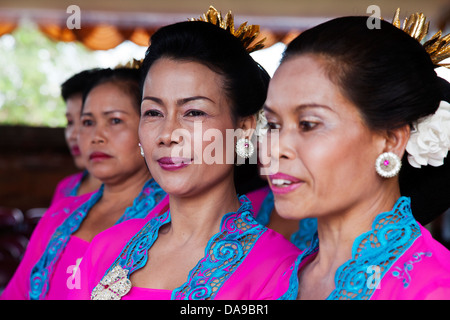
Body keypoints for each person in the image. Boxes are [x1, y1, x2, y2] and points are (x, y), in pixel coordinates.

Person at [69, 14, 300, 300]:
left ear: (243, 128)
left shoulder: (277, 267)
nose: (167, 134)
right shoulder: (107, 246)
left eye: (194, 112)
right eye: (153, 112)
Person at [264, 14, 450, 299]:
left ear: (390, 140)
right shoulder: (275, 275)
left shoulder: (433, 288)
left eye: (308, 124)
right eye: (274, 125)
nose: (275, 149)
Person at [1, 66, 167, 300]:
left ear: (149, 127)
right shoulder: (60, 214)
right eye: (88, 122)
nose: (97, 136)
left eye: (115, 120)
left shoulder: (170, 218)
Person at [50, 69, 103, 204]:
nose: (73, 135)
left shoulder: (157, 197)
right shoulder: (65, 187)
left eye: (87, 122)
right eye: (70, 122)